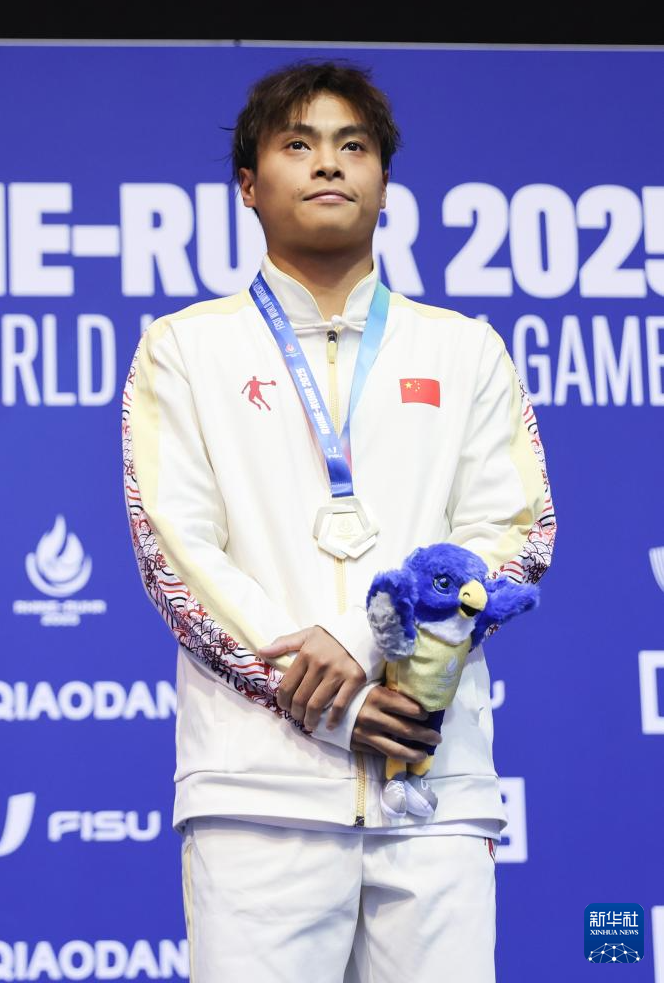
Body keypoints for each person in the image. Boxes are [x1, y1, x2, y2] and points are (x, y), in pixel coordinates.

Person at [121, 59, 557, 982]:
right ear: (249, 186)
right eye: (299, 144)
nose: (328, 164)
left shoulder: (466, 350)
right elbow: (177, 555)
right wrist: (333, 705)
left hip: (431, 787)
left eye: (352, 146)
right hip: (257, 798)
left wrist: (367, 640)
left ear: (385, 185)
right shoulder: (184, 349)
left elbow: (518, 539)